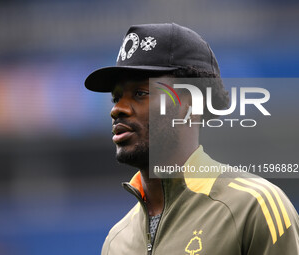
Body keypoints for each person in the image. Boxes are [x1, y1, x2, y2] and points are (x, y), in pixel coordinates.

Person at [84, 23, 299, 255]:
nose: (118, 109)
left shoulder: (255, 208)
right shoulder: (116, 242)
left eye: (140, 93)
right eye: (116, 98)